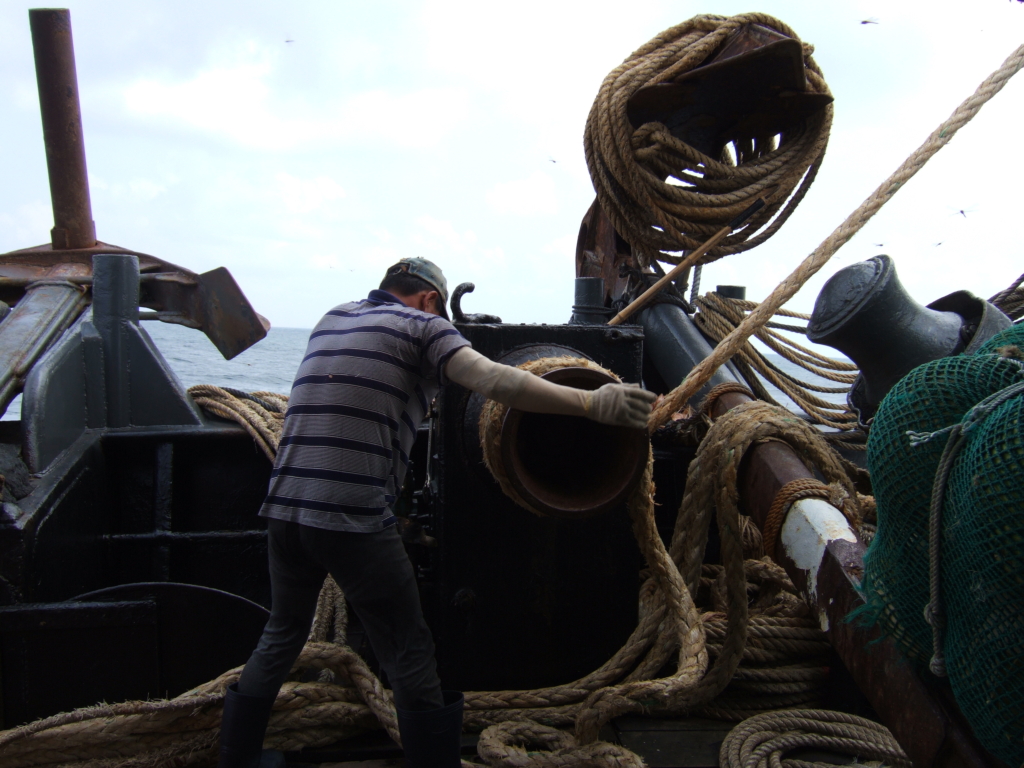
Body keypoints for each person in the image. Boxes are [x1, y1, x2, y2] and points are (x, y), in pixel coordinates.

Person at [218, 257, 656, 768]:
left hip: (285, 509)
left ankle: (238, 756)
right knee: (408, 648)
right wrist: (591, 405)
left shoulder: (333, 317)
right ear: (429, 299)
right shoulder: (424, 325)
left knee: (284, 631)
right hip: (351, 516)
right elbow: (496, 381)